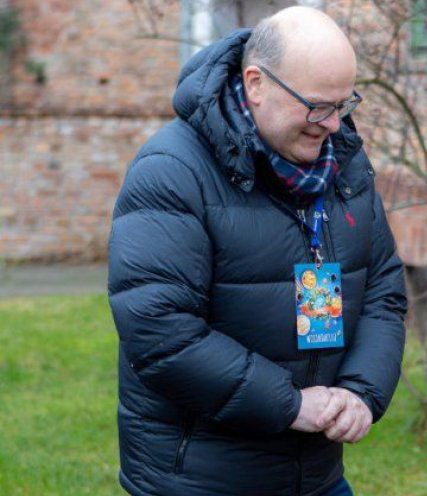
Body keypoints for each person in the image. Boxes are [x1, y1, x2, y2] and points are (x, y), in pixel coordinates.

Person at [107, 7, 407, 495]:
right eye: (316, 106)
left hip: (317, 477)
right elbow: (160, 330)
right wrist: (290, 404)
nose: (332, 124)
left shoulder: (346, 167)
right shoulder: (171, 171)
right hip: (200, 480)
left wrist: (360, 392)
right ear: (256, 83)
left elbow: (382, 291)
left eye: (343, 105)